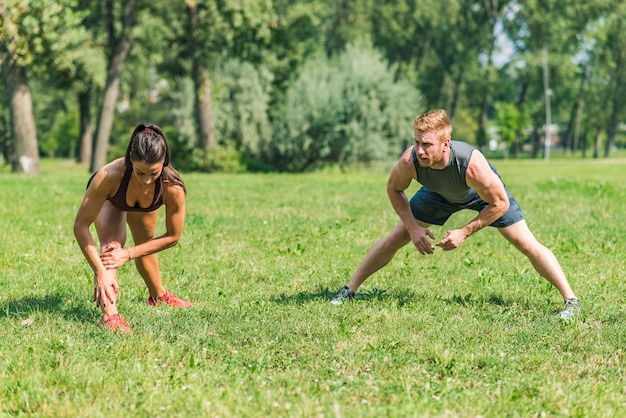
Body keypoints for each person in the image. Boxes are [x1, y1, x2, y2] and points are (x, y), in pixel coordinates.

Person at [331, 109, 581, 319]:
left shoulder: (472, 166)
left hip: (479, 196)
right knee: (396, 237)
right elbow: (393, 189)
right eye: (417, 142)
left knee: (525, 242)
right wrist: (413, 228)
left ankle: (571, 300)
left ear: (445, 144)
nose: (420, 150)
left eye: (427, 144)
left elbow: (500, 204)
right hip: (437, 195)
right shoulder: (410, 161)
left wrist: (464, 231)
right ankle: (349, 290)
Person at [74, 123, 192, 333]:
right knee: (112, 244)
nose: (147, 180)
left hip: (144, 203)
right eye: (140, 172)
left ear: (164, 162)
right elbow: (81, 226)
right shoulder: (107, 176)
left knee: (146, 242)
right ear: (130, 158)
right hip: (113, 196)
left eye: (153, 174)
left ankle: (158, 296)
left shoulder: (172, 187)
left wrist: (128, 254)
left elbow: (173, 237)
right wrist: (100, 273)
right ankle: (109, 317)